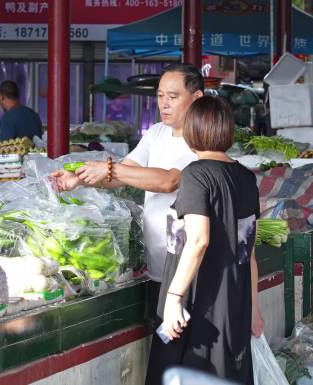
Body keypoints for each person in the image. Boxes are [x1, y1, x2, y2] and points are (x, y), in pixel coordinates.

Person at [51, 64, 204, 300]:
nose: (164, 104)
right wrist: (80, 179)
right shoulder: (156, 132)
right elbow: (124, 174)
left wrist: (109, 169)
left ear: (196, 98)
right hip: (157, 263)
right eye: (160, 96)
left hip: (189, 268)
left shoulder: (202, 137)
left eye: (173, 97)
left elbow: (170, 181)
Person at [152, 96, 264, 385]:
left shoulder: (196, 175)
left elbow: (198, 240)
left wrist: (174, 298)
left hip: (197, 301)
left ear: (193, 131)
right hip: (234, 303)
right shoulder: (245, 178)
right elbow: (247, 251)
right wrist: (253, 308)